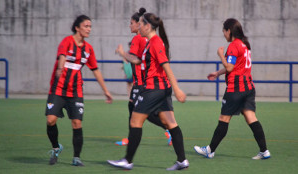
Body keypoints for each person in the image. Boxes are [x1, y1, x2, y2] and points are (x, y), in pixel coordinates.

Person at [108, 12, 189, 171]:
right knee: (170, 123)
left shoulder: (156, 42)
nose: (138, 26)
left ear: (148, 26)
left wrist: (178, 90)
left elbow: (166, 65)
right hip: (160, 89)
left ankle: (127, 161)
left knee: (135, 122)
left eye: (140, 24)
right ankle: (182, 161)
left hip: (153, 89)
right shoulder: (149, 43)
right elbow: (137, 60)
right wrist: (123, 53)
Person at [194, 18, 271, 160]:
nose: (223, 34)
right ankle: (264, 151)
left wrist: (220, 55)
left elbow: (230, 67)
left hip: (236, 89)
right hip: (248, 87)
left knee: (224, 119)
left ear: (229, 31)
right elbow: (236, 66)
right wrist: (218, 73)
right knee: (251, 118)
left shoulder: (234, 45)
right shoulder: (245, 45)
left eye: (224, 31)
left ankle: (210, 150)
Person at [45, 15, 113, 166]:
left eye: (90, 26)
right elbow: (62, 55)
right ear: (77, 27)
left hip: (75, 91)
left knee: (76, 123)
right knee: (51, 120)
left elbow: (95, 70)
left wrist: (105, 91)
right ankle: (56, 147)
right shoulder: (67, 41)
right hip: (58, 89)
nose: (89, 29)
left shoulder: (88, 49)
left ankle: (76, 158)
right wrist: (60, 68)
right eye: (86, 26)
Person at [114, 8, 172, 146]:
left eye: (132, 23)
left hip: (142, 82)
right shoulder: (147, 39)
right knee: (135, 108)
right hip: (145, 82)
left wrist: (122, 53)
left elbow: (135, 59)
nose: (131, 25)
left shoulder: (137, 38)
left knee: (141, 111)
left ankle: (167, 129)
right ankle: (168, 129)